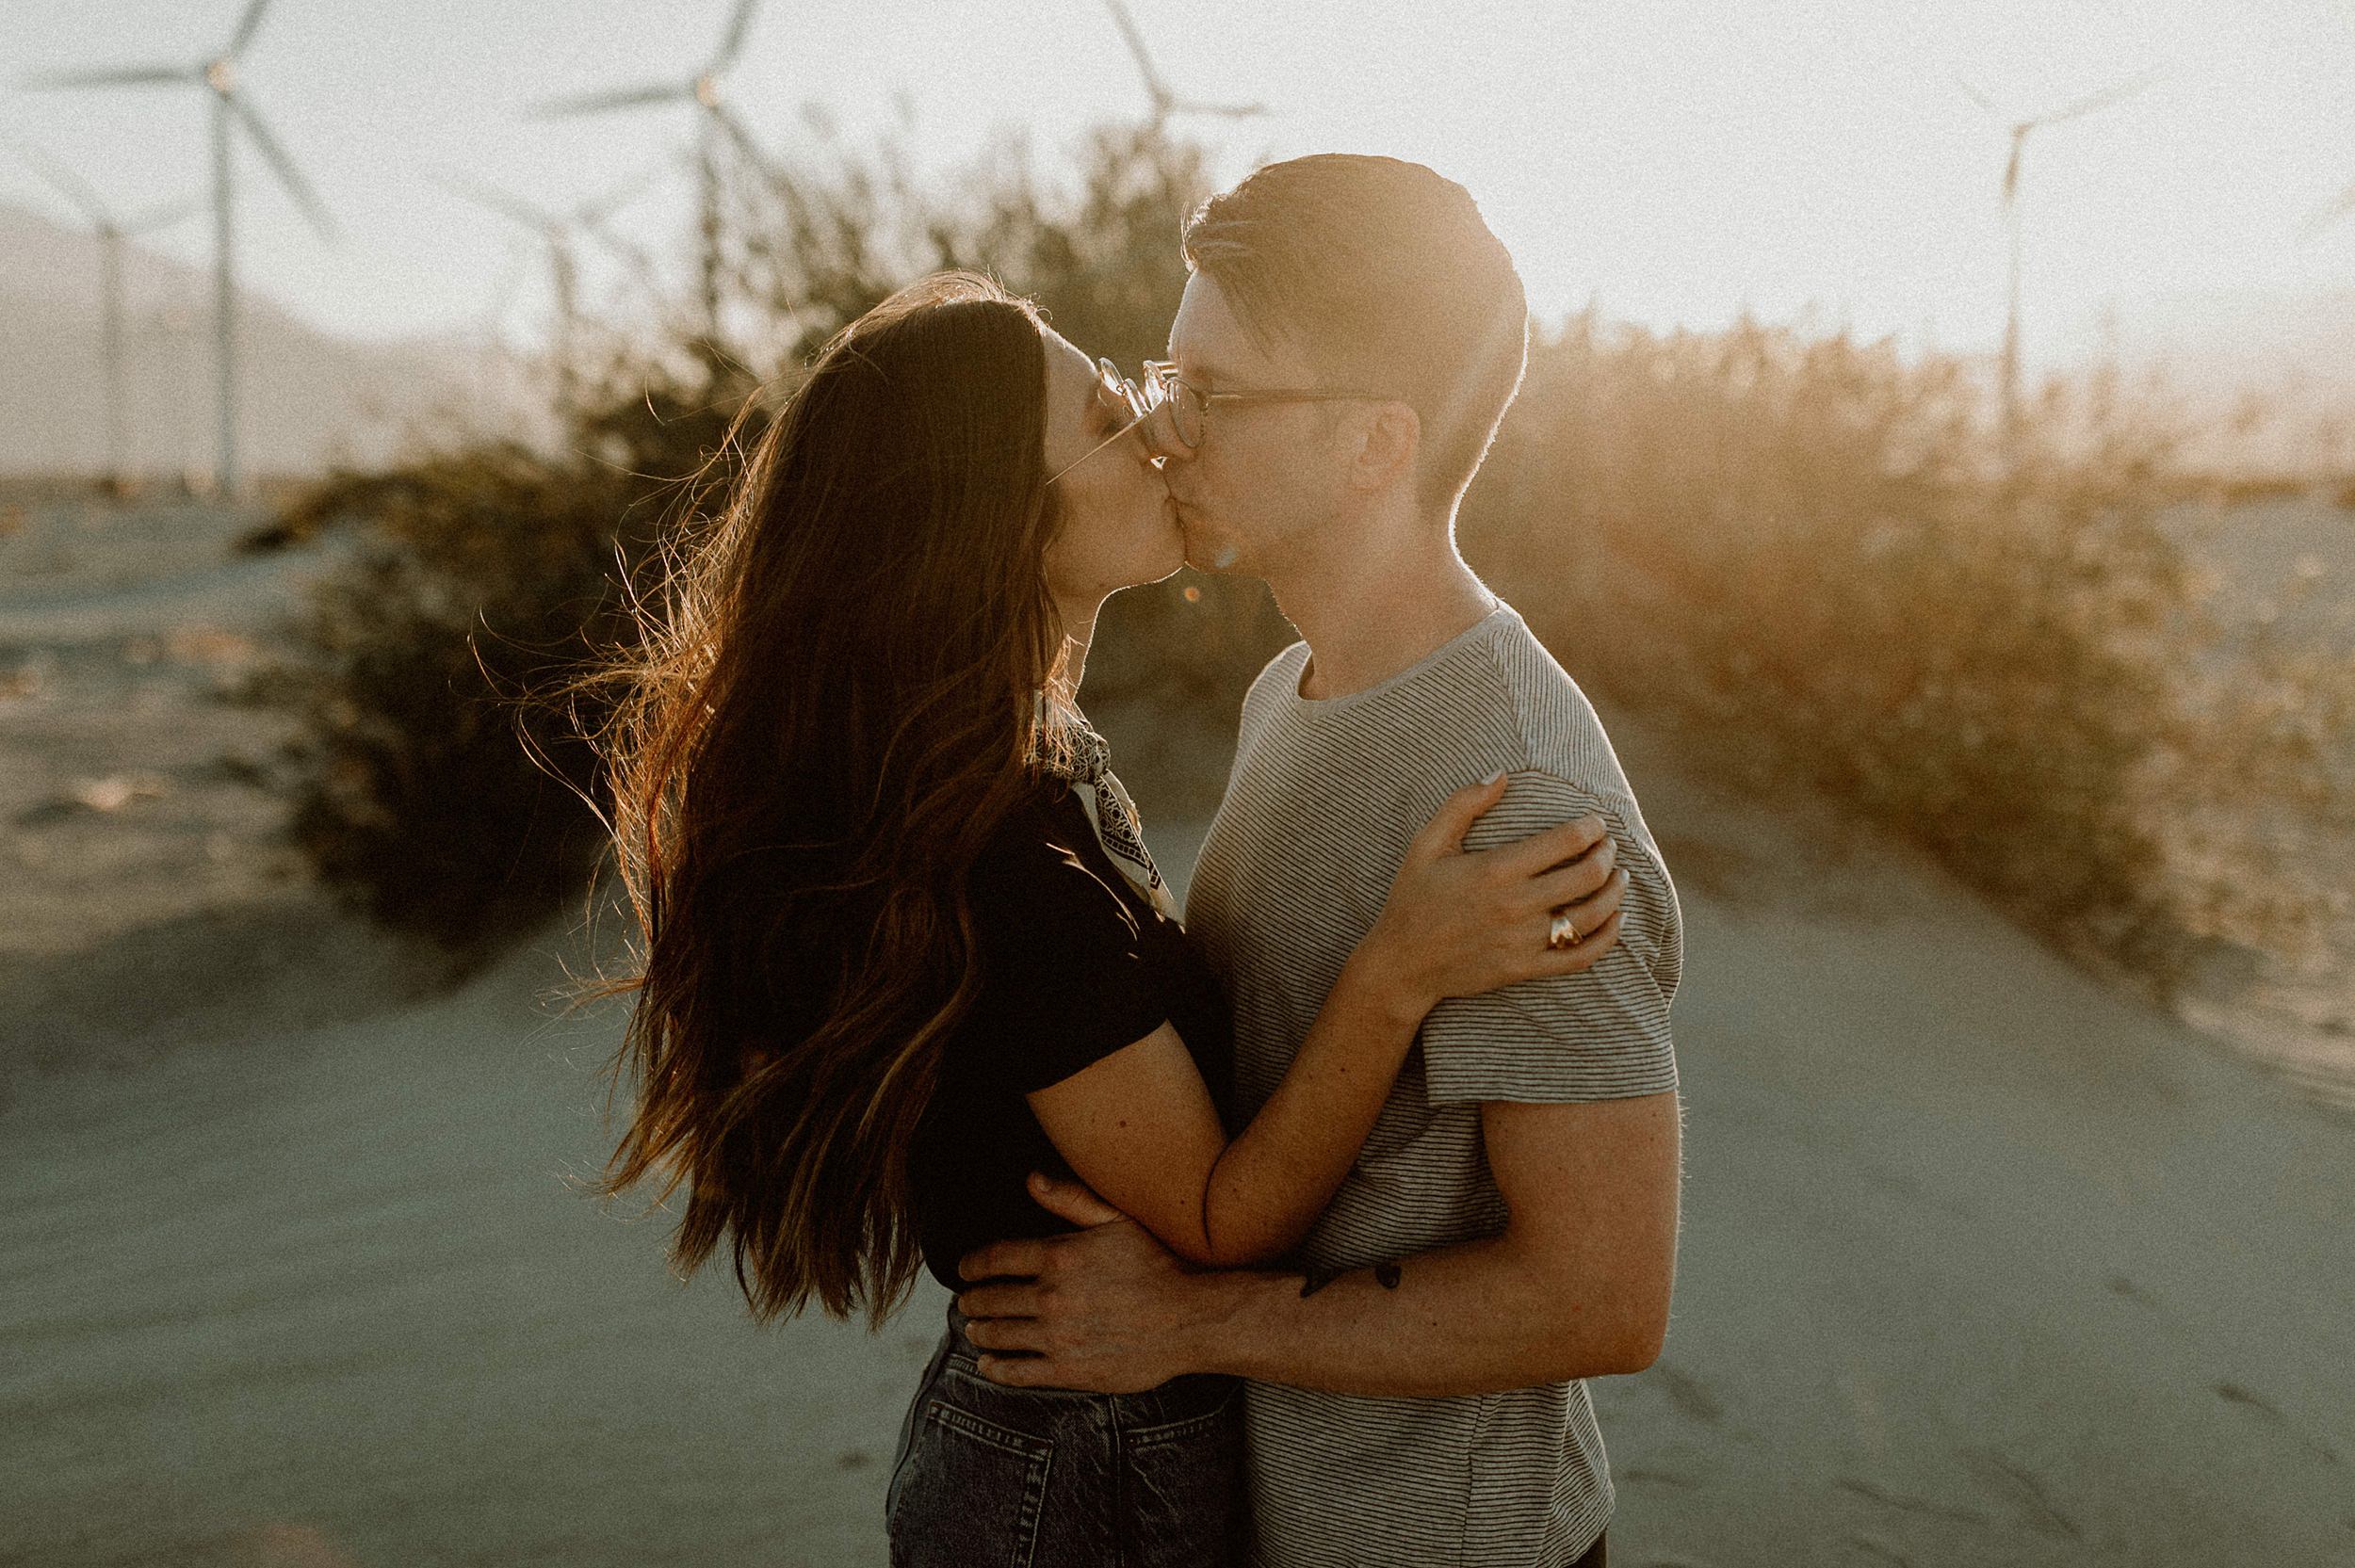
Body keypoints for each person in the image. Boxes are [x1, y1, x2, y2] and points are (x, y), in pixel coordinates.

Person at [580, 270, 1631, 1567]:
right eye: (1113, 413)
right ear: (995, 523)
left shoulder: (1032, 762)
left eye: (1166, 390)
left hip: (1078, 1452)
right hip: (1074, 1476)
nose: (1161, 432)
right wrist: (1394, 975)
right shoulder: (1006, 855)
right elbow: (1218, 1216)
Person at [951, 156, 1685, 1568]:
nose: (1166, 430)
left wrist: (1188, 1317)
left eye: (1214, 395)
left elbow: (1600, 1295)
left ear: (1373, 444)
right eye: (1167, 379)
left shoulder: (1515, 800)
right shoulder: (1291, 689)